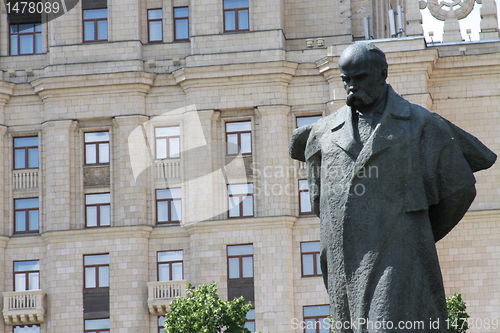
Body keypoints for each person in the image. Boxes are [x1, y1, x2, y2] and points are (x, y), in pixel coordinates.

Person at [289, 42, 496, 333]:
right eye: (346, 79)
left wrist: (415, 232)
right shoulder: (324, 132)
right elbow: (319, 198)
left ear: (383, 73)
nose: (351, 86)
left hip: (399, 258)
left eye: (360, 77)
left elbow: (459, 189)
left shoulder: (420, 123)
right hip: (344, 263)